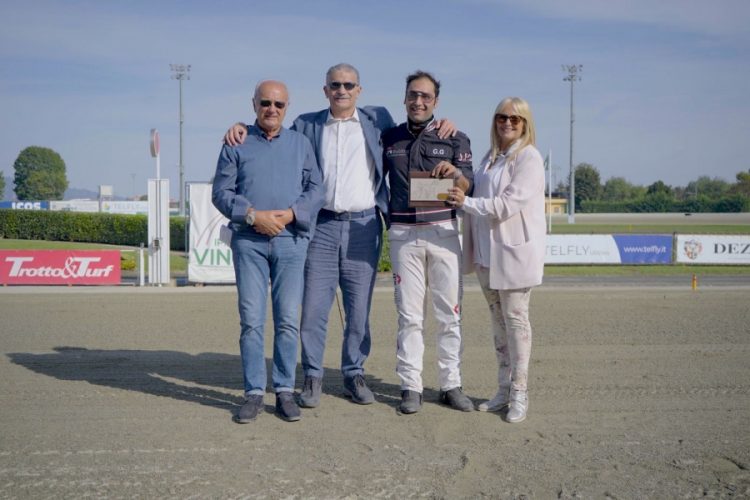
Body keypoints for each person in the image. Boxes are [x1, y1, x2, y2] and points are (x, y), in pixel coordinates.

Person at [224, 64, 456, 409]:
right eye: (335, 85)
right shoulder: (306, 123)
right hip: (320, 226)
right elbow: (273, 132)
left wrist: (441, 123)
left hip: (364, 226)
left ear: (359, 90)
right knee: (313, 310)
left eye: (349, 85)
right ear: (325, 90)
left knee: (358, 309)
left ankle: (353, 373)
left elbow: (415, 127)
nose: (342, 90)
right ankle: (313, 376)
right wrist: (241, 127)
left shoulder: (377, 119)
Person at [212, 80, 324, 423]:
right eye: (265, 103)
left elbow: (315, 189)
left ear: (287, 107)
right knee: (251, 320)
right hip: (249, 242)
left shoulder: (300, 143)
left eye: (278, 104)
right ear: (254, 104)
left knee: (289, 320)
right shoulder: (237, 142)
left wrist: (291, 214)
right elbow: (221, 191)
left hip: (291, 241)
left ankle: (285, 391)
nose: (271, 110)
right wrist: (252, 215)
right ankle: (254, 393)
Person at [381, 70, 474, 414]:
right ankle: (411, 386)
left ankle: (451, 384)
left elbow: (470, 185)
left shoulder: (455, 137)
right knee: (409, 316)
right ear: (404, 98)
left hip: (443, 233)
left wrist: (456, 177)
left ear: (436, 101)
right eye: (412, 95)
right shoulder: (388, 137)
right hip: (404, 236)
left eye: (425, 96)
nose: (418, 101)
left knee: (449, 315)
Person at [448, 97, 546, 423]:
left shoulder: (528, 158)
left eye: (515, 120)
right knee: (498, 326)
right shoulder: (491, 157)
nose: (507, 123)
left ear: (525, 125)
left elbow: (507, 204)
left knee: (517, 323)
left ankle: (520, 392)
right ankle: (503, 388)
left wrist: (467, 203)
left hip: (514, 255)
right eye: (502, 117)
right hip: (488, 255)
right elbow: (476, 189)